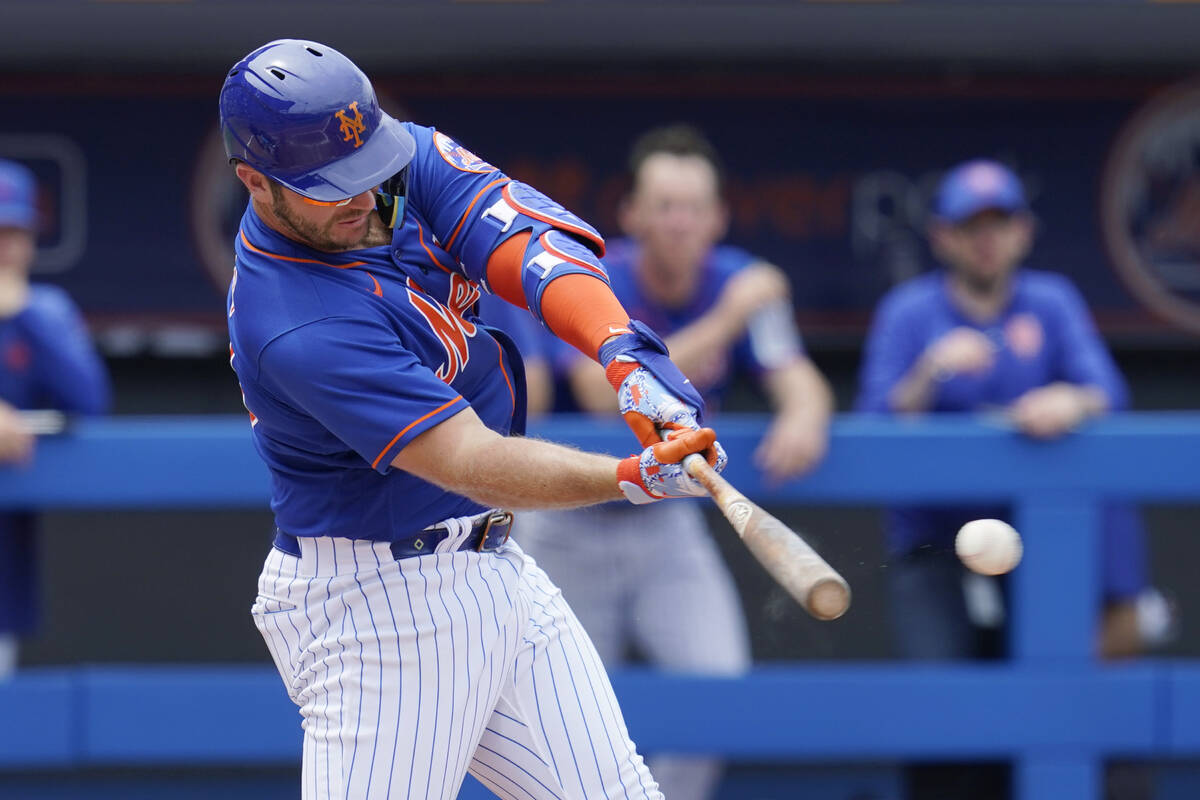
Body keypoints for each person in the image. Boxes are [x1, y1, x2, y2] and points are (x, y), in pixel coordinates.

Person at [221, 40, 729, 800]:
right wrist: (630, 478)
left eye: (368, 170)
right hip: (377, 610)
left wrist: (624, 355)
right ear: (255, 182)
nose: (365, 197)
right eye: (334, 187)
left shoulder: (384, 162)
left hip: (495, 567)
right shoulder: (294, 321)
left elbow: (529, 244)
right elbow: (467, 457)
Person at [513, 124, 834, 800]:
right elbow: (602, 397)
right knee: (557, 721)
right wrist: (726, 320)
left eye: (694, 207)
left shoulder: (738, 280)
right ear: (631, 214)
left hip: (667, 523)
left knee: (717, 695)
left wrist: (805, 411)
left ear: (717, 217)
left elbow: (795, 375)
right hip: (572, 514)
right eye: (664, 206)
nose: (680, 222)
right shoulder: (596, 274)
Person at [856, 158, 1169, 799]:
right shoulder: (910, 313)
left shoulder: (1051, 302)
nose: (986, 238)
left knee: (1060, 699)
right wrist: (930, 372)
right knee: (941, 709)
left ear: (1023, 231)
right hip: (933, 544)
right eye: (971, 225)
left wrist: (1068, 402)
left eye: (999, 223)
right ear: (942, 236)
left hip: (1039, 541)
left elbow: (1104, 390)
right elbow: (872, 425)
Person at [0, 159, 110, 678]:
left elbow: (88, 400)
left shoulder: (44, 312)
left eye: (14, 230)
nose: (5, 244)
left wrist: (20, 312)